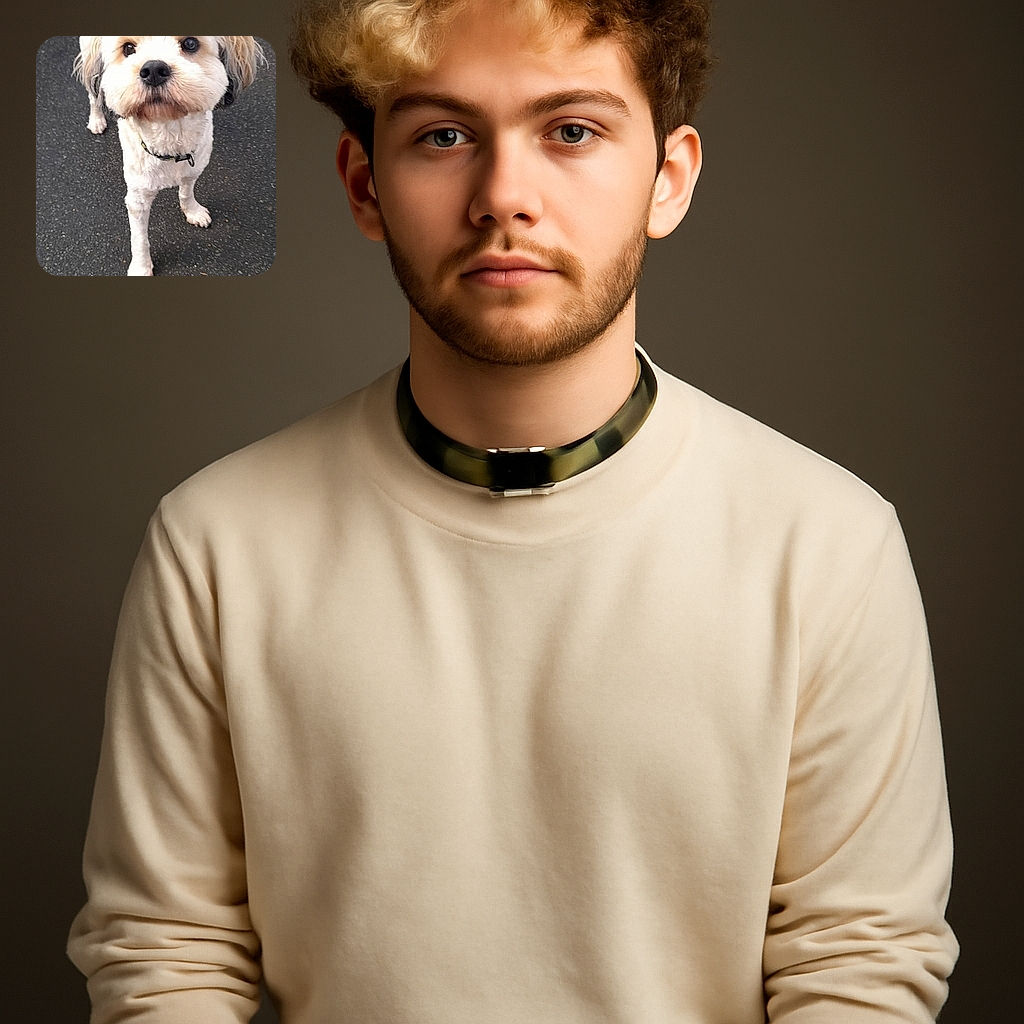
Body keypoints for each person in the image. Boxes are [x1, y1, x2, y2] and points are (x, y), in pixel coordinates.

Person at [68, 1, 958, 1020]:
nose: (503, 197)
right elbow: (164, 952)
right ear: (365, 185)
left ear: (668, 177)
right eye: (443, 136)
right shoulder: (214, 542)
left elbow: (860, 962)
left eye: (571, 131)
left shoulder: (829, 543)